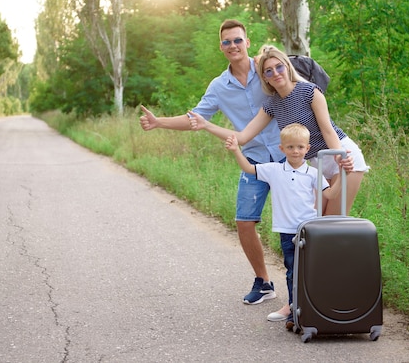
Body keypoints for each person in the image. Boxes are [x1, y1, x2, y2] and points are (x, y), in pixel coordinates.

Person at [139, 19, 284, 305]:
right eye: (227, 42)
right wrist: (159, 123)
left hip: (286, 157)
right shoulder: (219, 86)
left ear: (247, 42)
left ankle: (307, 284)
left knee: (296, 223)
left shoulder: (265, 69)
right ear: (221, 47)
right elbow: (196, 119)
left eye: (237, 40)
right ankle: (264, 282)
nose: (233, 46)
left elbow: (295, 88)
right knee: (244, 222)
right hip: (252, 159)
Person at [190, 44, 367, 216]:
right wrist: (206, 125)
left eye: (279, 67)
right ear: (265, 77)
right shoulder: (272, 104)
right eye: (268, 71)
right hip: (316, 163)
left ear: (287, 67)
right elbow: (243, 137)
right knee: (313, 221)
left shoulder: (310, 92)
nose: (275, 73)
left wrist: (339, 156)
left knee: (332, 223)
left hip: (341, 155)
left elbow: (328, 130)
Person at [225, 123, 343, 326]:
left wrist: (342, 173)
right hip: (288, 231)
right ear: (282, 149)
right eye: (290, 147)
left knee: (310, 270)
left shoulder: (314, 173)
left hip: (309, 229)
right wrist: (236, 149)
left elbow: (331, 194)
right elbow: (248, 168)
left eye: (300, 147)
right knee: (292, 271)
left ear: (307, 149)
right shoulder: (274, 170)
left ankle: (314, 309)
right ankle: (294, 311)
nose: (295, 151)